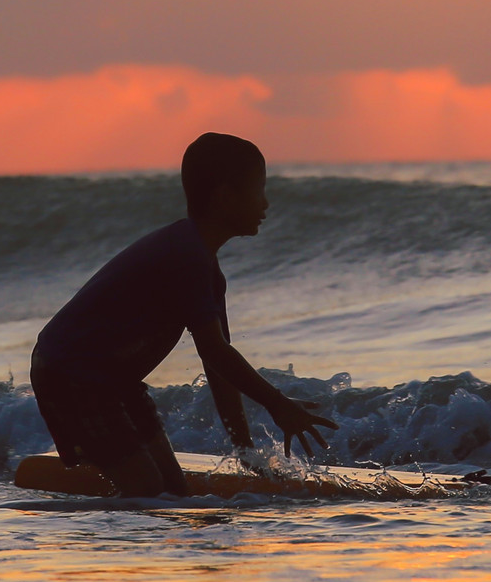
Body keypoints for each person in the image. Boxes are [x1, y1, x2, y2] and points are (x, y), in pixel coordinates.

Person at [30, 132, 338, 496]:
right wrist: (278, 405)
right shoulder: (185, 257)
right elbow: (215, 351)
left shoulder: (205, 266)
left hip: (112, 380)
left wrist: (244, 448)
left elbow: (218, 362)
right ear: (225, 197)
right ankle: (106, 541)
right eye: (259, 191)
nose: (266, 204)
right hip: (71, 374)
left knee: (173, 492)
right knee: (146, 490)